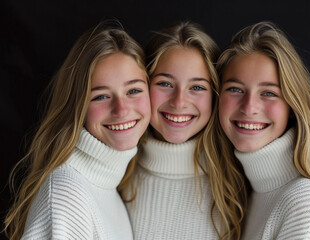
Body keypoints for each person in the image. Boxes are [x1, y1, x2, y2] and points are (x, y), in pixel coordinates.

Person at [4, 20, 151, 240]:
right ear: (77, 106)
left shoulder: (106, 186)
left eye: (133, 90)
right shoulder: (67, 196)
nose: (121, 109)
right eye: (101, 96)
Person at [217, 21, 310, 239]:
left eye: (269, 93)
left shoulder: (307, 204)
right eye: (235, 89)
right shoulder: (247, 196)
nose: (249, 108)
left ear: (292, 107)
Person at [120, 21, 246, 239]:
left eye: (197, 87)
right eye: (165, 84)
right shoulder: (117, 173)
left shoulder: (237, 180)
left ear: (215, 95)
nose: (179, 102)